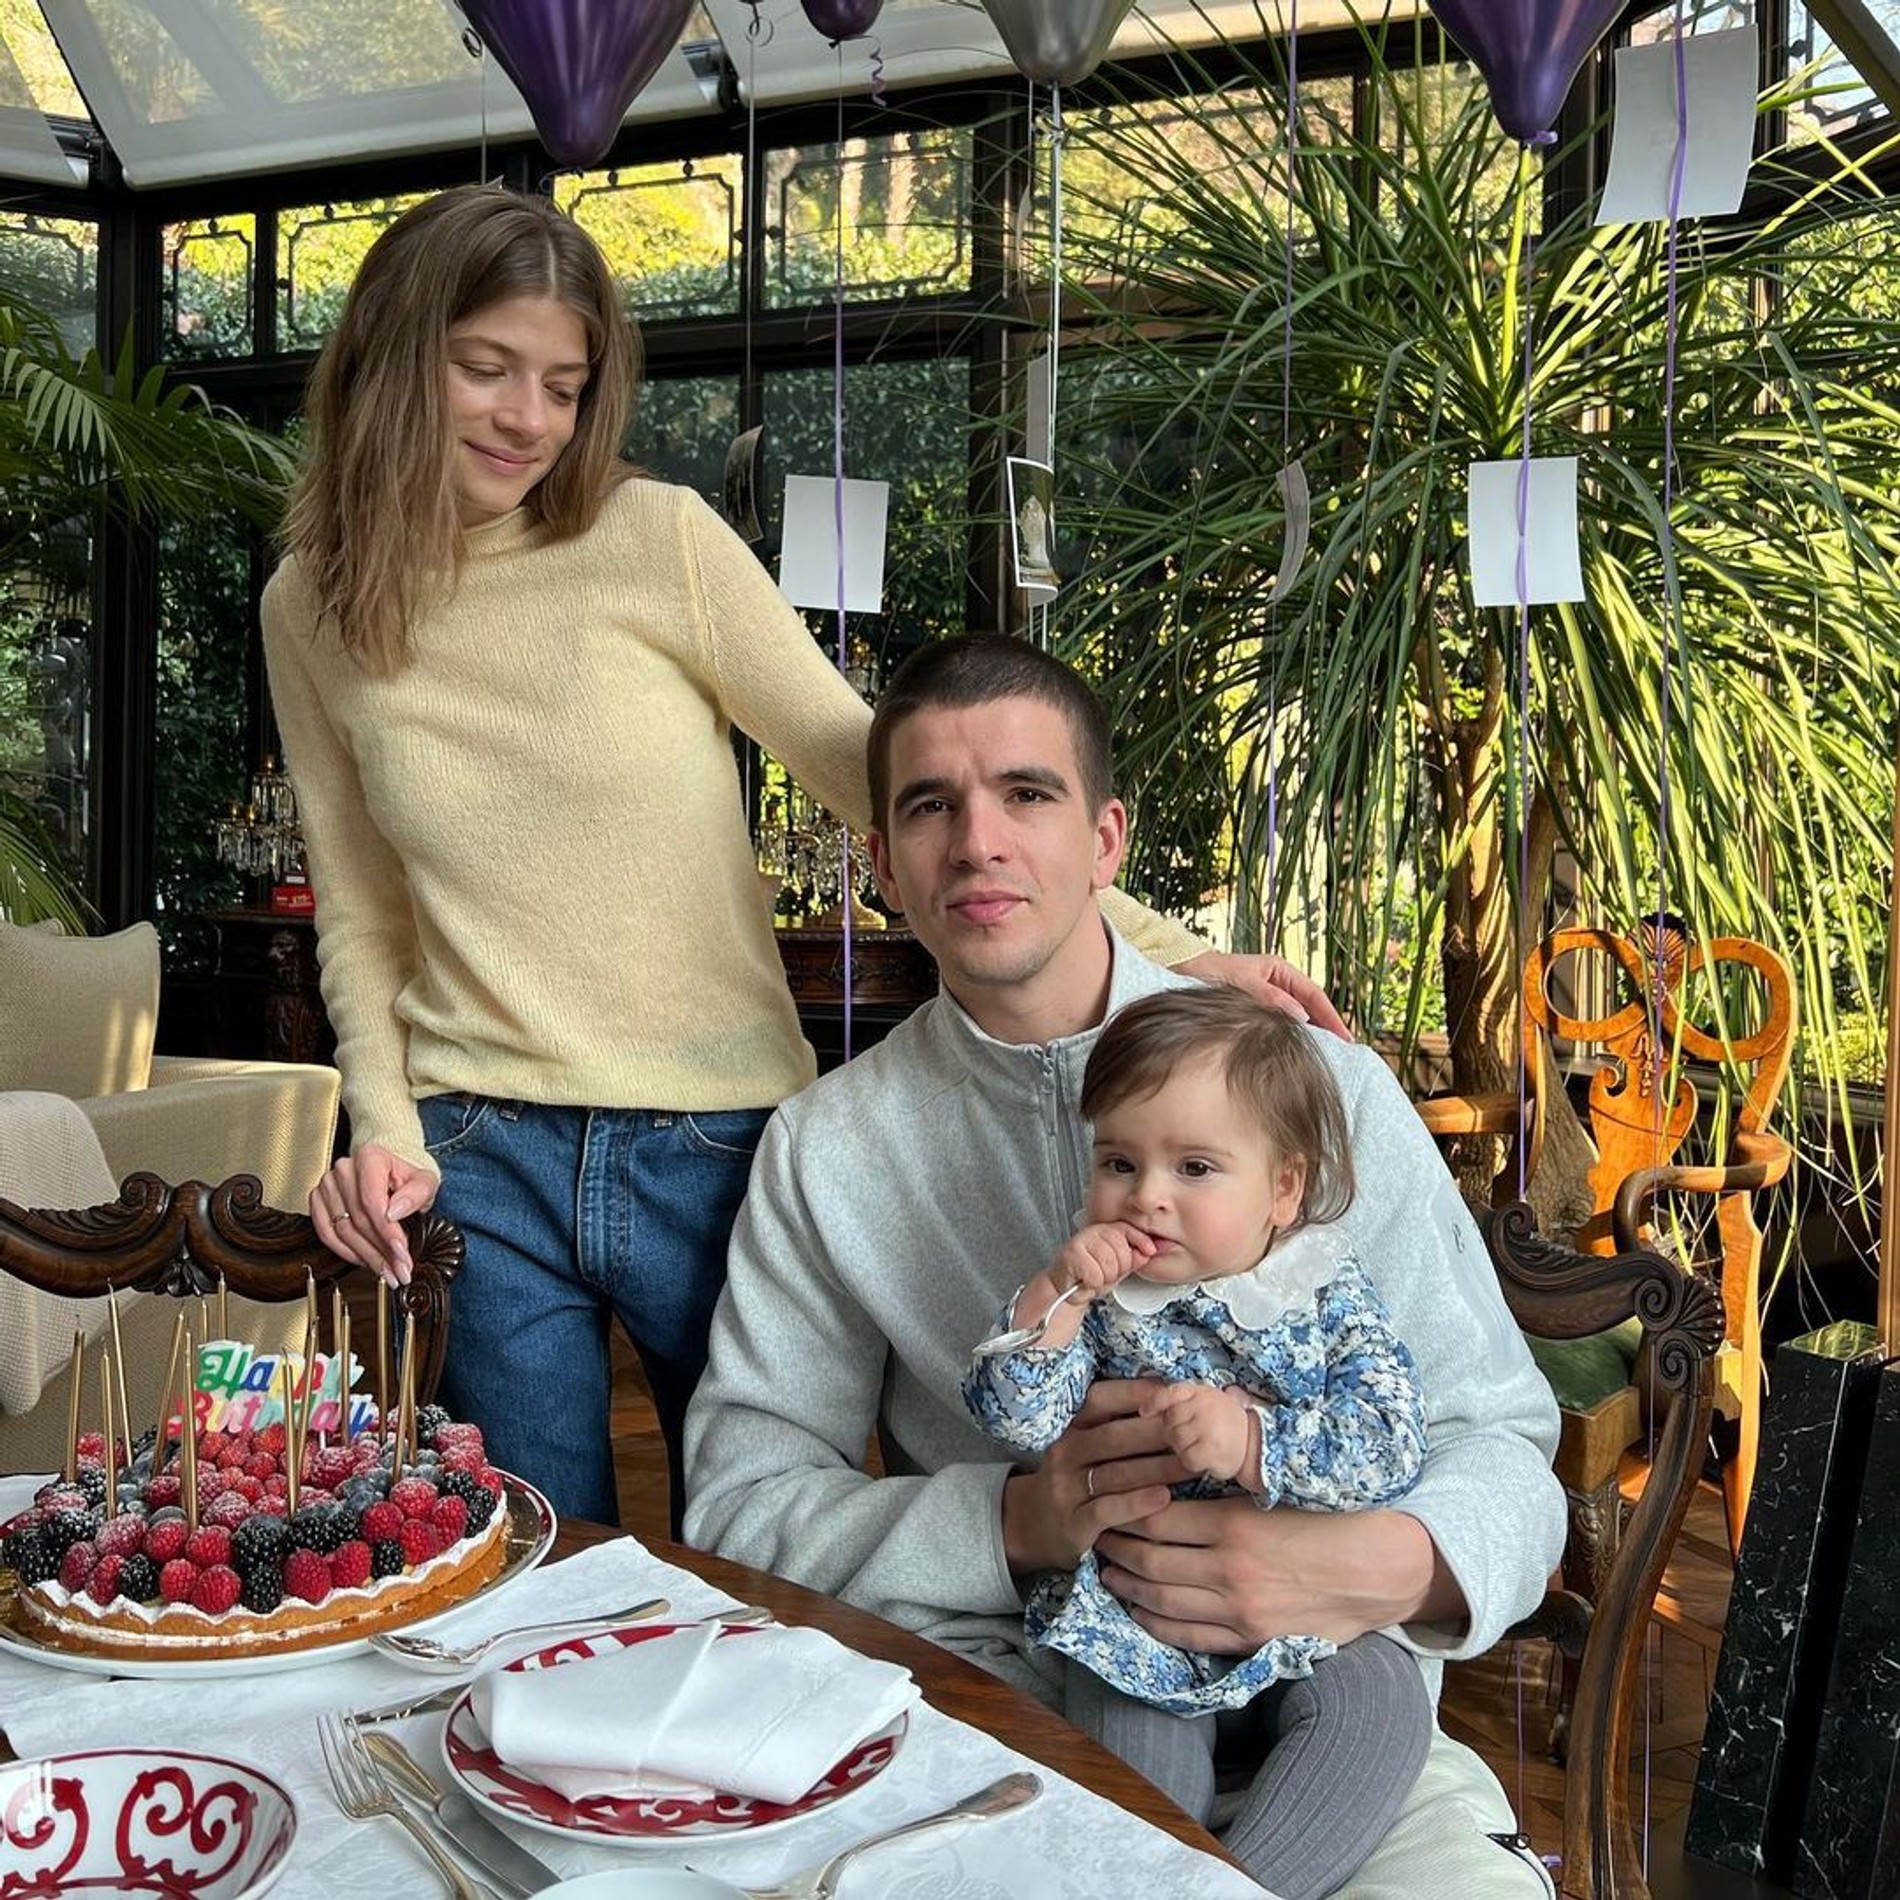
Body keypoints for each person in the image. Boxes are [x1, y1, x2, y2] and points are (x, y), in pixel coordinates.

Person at [260, 186, 1330, 1531]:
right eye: (487, 368)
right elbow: (362, 912)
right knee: (536, 1559)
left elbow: (865, 763)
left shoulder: (653, 539)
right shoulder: (310, 604)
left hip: (717, 1142)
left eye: (565, 386)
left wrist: (1165, 951)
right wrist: (385, 1130)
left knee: (767, 1541)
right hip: (480, 1144)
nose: (529, 417)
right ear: (392, 356)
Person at [685, 634, 1566, 1895]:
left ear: (1104, 839)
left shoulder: (1320, 1091)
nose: (978, 841)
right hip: (1003, 1695)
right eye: (931, 806)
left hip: (1343, 1693)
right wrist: (1013, 1523)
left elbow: (1503, 1441)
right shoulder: (826, 1149)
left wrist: (1364, 1563)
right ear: (881, 866)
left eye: (1025, 793)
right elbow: (738, 1506)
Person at [963, 985, 1432, 1900]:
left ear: (1284, 1188)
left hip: (1315, 1616)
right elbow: (1018, 1421)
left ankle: (1249, 1887)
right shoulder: (1103, 1304)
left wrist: (1254, 1441)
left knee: (1383, 1710)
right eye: (1119, 1162)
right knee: (1132, 1750)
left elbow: (1390, 1441)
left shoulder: (1327, 1293)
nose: (1148, 1197)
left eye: (1195, 1168)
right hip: (1141, 1615)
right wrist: (1054, 1301)